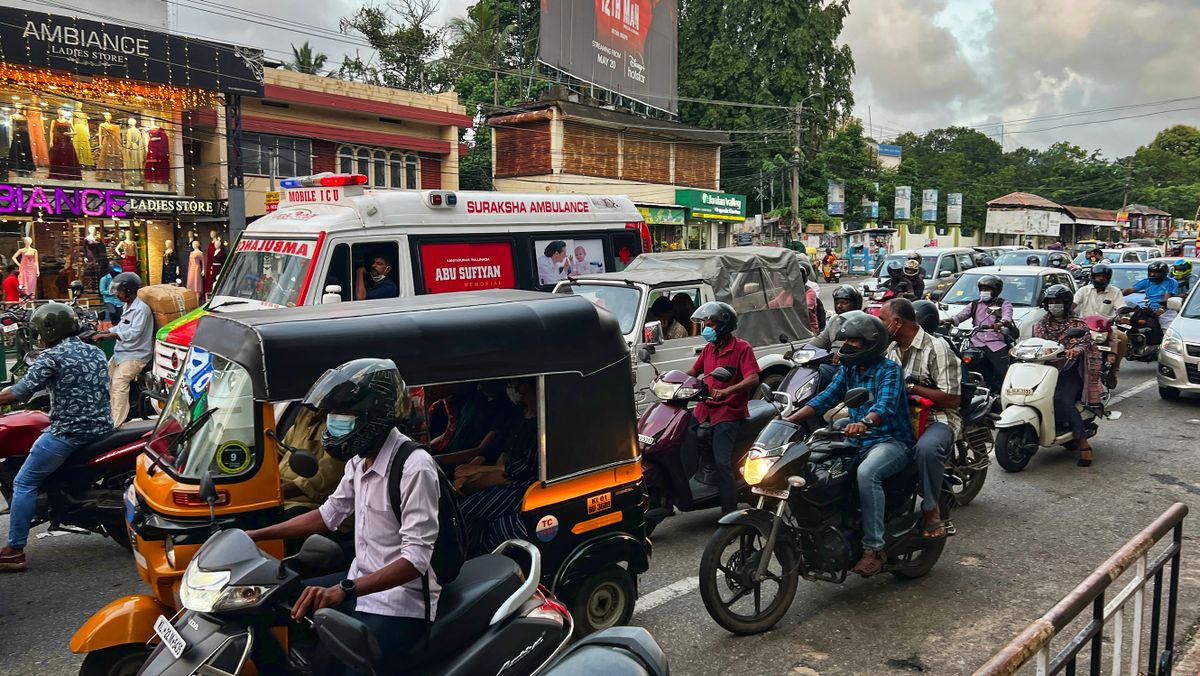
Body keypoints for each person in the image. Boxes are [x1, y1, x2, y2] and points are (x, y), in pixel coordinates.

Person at [245, 359, 441, 665]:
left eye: (344, 415)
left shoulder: (414, 467)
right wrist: (255, 535)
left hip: (399, 602)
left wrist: (344, 590)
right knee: (264, 606)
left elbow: (415, 559)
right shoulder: (358, 459)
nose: (334, 422)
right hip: (358, 583)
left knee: (337, 665)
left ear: (374, 416)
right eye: (332, 415)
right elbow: (328, 514)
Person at [786, 311, 915, 576]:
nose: (848, 346)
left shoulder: (889, 370)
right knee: (814, 457)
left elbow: (886, 406)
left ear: (871, 344)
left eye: (855, 342)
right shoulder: (849, 368)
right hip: (855, 436)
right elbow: (826, 397)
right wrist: (790, 419)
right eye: (847, 340)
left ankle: (874, 548)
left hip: (890, 440)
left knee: (867, 473)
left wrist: (866, 422)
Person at [0, 303, 113, 572]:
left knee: (24, 482)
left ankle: (15, 550)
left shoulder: (52, 357)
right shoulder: (95, 352)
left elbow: (21, 391)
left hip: (69, 433)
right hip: (103, 428)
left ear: (49, 330)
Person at [880, 299, 960, 539]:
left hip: (938, 419)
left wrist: (911, 388)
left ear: (897, 322)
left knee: (926, 449)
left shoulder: (937, 348)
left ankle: (931, 509)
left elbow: (952, 398)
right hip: (900, 418)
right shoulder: (891, 349)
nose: (880, 326)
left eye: (883, 321)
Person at [685, 302, 761, 516]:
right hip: (704, 407)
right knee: (680, 440)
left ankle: (730, 513)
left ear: (724, 326)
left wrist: (728, 391)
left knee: (722, 462)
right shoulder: (710, 348)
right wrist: (672, 379)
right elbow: (694, 370)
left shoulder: (741, 348)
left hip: (728, 411)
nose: (706, 329)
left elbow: (753, 378)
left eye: (710, 325)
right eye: (705, 325)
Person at [456, 378, 539, 555]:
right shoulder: (519, 415)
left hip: (525, 488)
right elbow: (503, 452)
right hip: (507, 479)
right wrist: (473, 472)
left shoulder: (541, 425)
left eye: (518, 384)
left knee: (466, 511)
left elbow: (519, 470)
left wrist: (477, 471)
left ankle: (462, 561)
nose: (514, 388)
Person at [1033, 285, 1099, 467]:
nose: (1055, 306)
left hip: (1069, 370)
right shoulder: (1039, 324)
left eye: (1059, 303)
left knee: (1061, 400)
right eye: (1051, 302)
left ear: (1067, 304)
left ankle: (1083, 442)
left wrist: (1076, 350)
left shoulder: (1078, 324)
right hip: (1043, 369)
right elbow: (1033, 343)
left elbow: (1085, 341)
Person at [87, 272, 153, 426]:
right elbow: (122, 326)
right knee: (106, 378)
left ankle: (116, 423)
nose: (117, 294)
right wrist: (103, 332)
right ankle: (107, 415)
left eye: (120, 291)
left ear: (129, 291)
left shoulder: (141, 310)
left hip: (136, 355)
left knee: (118, 384)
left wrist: (111, 336)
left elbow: (134, 333)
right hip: (122, 353)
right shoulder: (126, 306)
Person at [948, 274, 1013, 393]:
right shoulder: (974, 304)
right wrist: (949, 320)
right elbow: (962, 315)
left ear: (995, 291)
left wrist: (1001, 323)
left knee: (1002, 372)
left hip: (995, 343)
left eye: (987, 289)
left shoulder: (1003, 304)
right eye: (982, 289)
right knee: (962, 365)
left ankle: (1002, 393)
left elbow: (1007, 316)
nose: (984, 292)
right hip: (975, 342)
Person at [1073, 263, 1127, 388]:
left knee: (1123, 338)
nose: (1101, 278)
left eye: (1104, 276)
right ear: (1092, 277)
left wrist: (1123, 316)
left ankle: (1113, 371)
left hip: (1107, 329)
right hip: (1085, 327)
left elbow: (1120, 307)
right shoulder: (1083, 291)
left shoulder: (1115, 291)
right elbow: (1073, 304)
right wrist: (1067, 312)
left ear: (1108, 278)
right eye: (1098, 276)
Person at [811, 284, 862, 388]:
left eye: (844, 303)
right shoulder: (834, 320)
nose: (839, 306)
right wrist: (799, 351)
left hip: (851, 365)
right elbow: (820, 341)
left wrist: (843, 352)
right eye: (837, 302)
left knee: (821, 371)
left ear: (855, 304)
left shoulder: (863, 321)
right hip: (832, 363)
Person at [1122, 261, 1177, 347]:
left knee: (1168, 332)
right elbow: (1131, 290)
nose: (1153, 275)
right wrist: (1118, 294)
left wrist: (1162, 309)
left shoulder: (1171, 282)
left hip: (1166, 311)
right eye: (1151, 272)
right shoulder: (1146, 281)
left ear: (1163, 273)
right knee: (1134, 322)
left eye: (1155, 273)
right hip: (1150, 309)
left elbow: (1168, 297)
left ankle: (1165, 349)